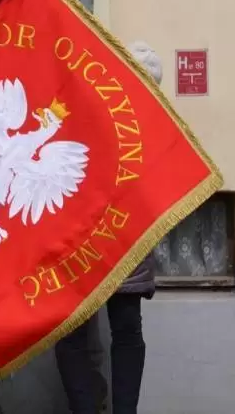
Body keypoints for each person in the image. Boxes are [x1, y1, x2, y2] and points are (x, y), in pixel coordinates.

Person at [54, 41, 163, 414]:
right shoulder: (95, 116)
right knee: (82, 332)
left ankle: (109, 408)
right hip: (91, 238)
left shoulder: (157, 128)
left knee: (113, 329)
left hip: (119, 238)